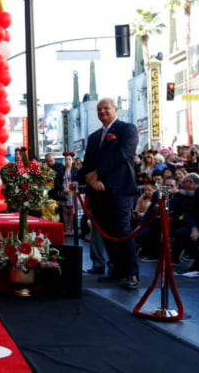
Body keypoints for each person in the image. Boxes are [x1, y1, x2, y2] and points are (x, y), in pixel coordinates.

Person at [79, 98, 140, 290]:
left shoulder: (127, 129)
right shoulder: (94, 136)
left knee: (122, 231)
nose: (103, 112)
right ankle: (116, 270)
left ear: (115, 109)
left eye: (106, 108)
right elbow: (88, 161)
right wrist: (91, 178)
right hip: (98, 191)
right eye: (99, 109)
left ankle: (132, 273)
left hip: (120, 190)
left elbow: (123, 155)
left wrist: (99, 173)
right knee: (106, 233)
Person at [59, 152, 78, 235]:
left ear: (72, 160)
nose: (67, 161)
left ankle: (71, 230)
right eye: (66, 159)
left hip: (72, 192)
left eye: (69, 159)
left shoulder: (76, 170)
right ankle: (65, 229)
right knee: (64, 211)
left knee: (71, 211)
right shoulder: (61, 170)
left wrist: (71, 187)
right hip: (64, 191)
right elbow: (57, 181)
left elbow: (78, 180)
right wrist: (62, 188)